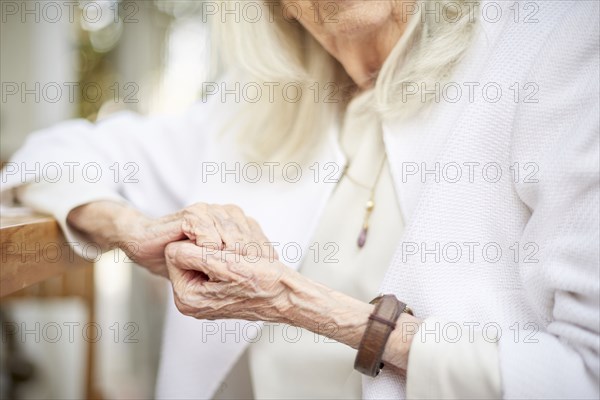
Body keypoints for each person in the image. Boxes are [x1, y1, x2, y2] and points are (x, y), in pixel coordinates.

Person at [2, 1, 598, 399]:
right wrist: (129, 226)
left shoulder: (550, 52)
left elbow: (581, 374)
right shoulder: (255, 105)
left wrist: (291, 300)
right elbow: (51, 152)